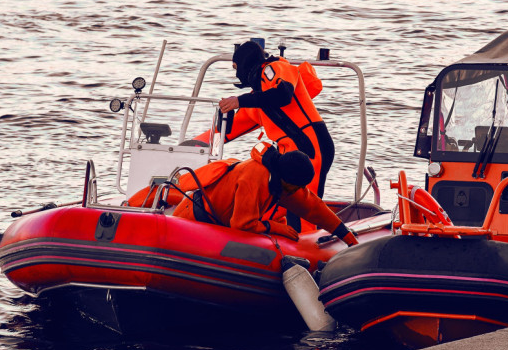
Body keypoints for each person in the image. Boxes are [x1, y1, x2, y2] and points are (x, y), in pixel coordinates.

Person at [133, 145, 357, 245]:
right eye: (296, 187)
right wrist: (273, 227)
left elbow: (312, 207)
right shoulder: (254, 175)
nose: (297, 192)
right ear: (286, 180)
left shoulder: (283, 181)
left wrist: (346, 235)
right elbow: (240, 223)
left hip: (215, 225)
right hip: (193, 221)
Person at [219, 41, 335, 204]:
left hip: (311, 145)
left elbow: (283, 95)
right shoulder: (257, 96)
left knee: (301, 206)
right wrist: (197, 145)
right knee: (279, 199)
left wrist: (240, 101)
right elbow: (226, 131)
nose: (237, 74)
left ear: (245, 63)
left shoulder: (276, 68)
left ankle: (309, 229)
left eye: (236, 67)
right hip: (290, 151)